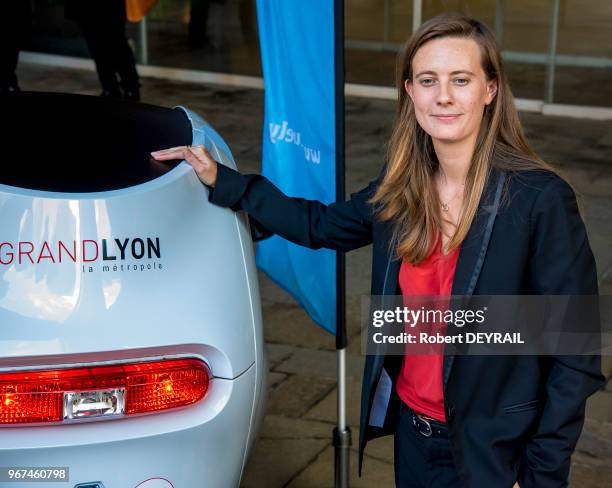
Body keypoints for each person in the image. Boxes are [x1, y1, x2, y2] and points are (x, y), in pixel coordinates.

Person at [151, 13, 604, 488]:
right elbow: (320, 225)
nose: (443, 96)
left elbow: (575, 354)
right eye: (428, 80)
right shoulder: (403, 188)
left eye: (461, 80)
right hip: (413, 436)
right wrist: (224, 181)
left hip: (495, 452)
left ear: (490, 89)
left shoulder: (539, 198)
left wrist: (540, 476)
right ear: (410, 91)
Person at [65, 0, 141, 101]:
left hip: (109, 6)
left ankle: (131, 88)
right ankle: (110, 88)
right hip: (85, 7)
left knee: (117, 43)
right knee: (96, 46)